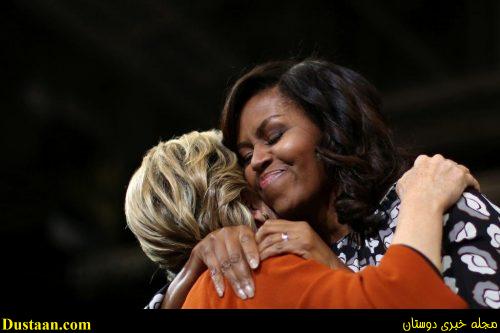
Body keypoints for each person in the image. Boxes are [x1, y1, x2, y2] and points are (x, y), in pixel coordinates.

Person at [154, 59, 500, 309]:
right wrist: (193, 267)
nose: (257, 159)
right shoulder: (273, 255)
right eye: (245, 156)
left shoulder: (435, 203)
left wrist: (335, 270)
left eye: (274, 136)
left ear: (333, 129)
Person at [125, 130, 472, 308]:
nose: (263, 163)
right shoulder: (261, 274)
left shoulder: (192, 296)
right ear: (250, 201)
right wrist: (423, 200)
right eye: (248, 161)